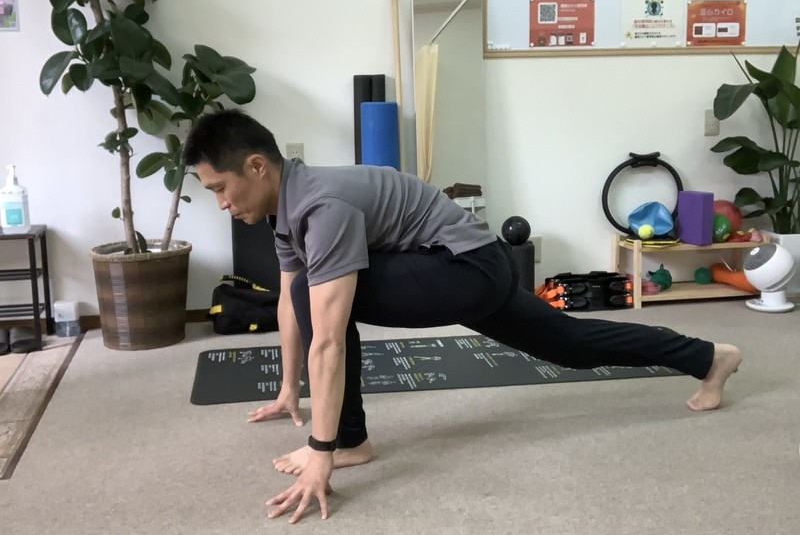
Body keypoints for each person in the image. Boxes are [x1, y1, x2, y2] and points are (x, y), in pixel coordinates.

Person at [183, 109, 742, 524]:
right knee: (569, 346)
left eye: (221, 189)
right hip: (468, 266)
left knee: (321, 293)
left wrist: (322, 452)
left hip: (465, 268)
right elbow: (288, 302)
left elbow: (326, 339)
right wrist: (289, 388)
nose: (221, 204)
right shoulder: (287, 211)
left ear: (257, 166)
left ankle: (350, 440)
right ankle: (708, 358)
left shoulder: (322, 206)